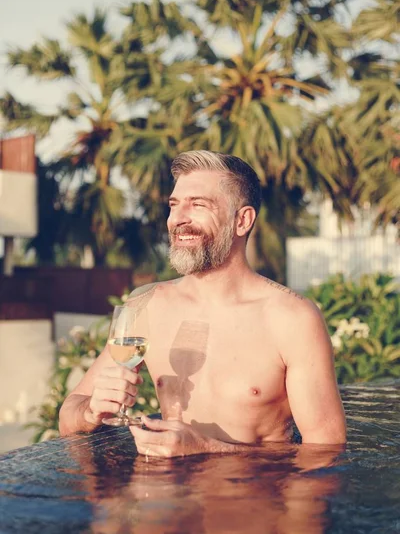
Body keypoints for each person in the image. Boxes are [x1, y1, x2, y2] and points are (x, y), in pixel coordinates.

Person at [59, 150, 346, 456]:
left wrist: (208, 448)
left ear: (242, 220)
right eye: (174, 205)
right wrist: (91, 410)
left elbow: (326, 452)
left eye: (197, 205)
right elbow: (68, 417)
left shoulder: (292, 318)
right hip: (174, 499)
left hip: (255, 499)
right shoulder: (146, 304)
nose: (178, 219)